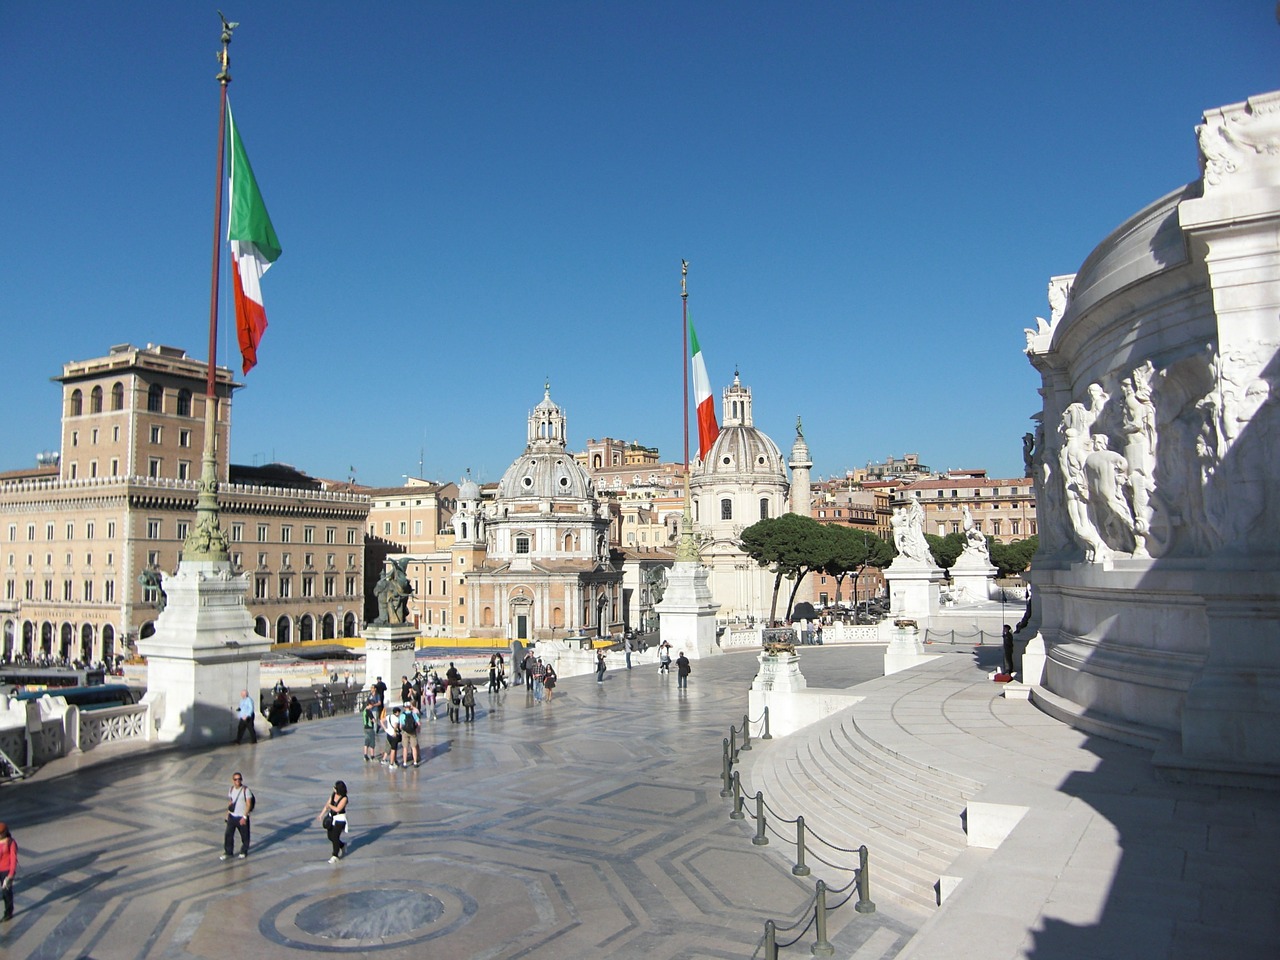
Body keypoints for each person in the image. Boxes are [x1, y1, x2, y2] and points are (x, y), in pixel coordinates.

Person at [221, 772, 254, 860]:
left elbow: (248, 804)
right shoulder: (231, 789)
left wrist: (244, 817)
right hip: (232, 816)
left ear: (241, 780)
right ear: (233, 780)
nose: (237, 781)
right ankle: (228, 852)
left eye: (239, 779)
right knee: (228, 835)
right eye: (235, 779)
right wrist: (228, 814)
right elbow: (231, 802)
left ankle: (244, 851)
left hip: (241, 817)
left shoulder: (246, 790)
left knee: (244, 836)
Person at [316, 780, 349, 864]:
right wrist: (321, 815)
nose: (333, 788)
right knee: (330, 836)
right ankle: (342, 845)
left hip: (339, 820)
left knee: (335, 837)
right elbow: (327, 805)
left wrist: (330, 806)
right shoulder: (333, 794)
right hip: (331, 818)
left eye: (335, 787)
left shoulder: (344, 798)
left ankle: (335, 856)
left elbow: (338, 809)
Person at [0, 822, 16, 922]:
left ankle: (8, 912)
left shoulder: (11, 842)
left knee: (6, 892)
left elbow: (13, 859)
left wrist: (11, 874)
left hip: (6, 870)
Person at [400, 700, 421, 766]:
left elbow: (400, 726)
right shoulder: (413, 714)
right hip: (412, 732)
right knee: (413, 747)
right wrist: (416, 728)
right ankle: (415, 762)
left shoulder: (402, 715)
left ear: (404, 707)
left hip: (405, 732)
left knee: (405, 748)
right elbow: (418, 723)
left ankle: (405, 763)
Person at [361, 697, 379, 761]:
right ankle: (372, 756)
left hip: (365, 728)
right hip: (370, 728)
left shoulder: (364, 711)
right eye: (372, 705)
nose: (372, 706)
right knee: (372, 742)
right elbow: (373, 720)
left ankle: (365, 755)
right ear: (369, 705)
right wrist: (376, 722)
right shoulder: (369, 712)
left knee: (366, 742)